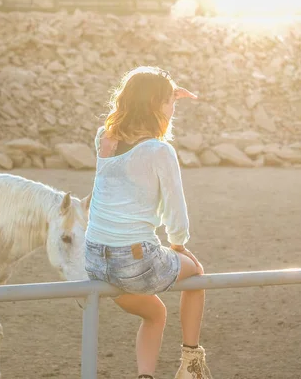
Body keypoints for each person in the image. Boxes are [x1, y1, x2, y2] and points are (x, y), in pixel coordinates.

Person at [84, 66, 213, 379]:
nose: (172, 109)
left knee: (155, 312)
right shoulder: (159, 151)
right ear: (155, 105)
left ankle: (145, 376)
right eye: (169, 102)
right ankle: (191, 363)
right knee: (196, 273)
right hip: (134, 261)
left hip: (95, 261)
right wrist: (180, 246)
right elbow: (176, 214)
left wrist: (166, 91)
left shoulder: (105, 138)